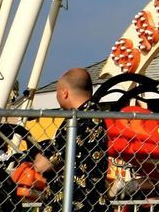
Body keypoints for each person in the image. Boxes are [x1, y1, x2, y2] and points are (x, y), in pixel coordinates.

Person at [30, 69, 106, 212]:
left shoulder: (74, 122)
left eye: (57, 92)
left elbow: (43, 165)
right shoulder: (96, 115)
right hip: (95, 201)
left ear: (64, 92)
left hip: (70, 202)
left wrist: (36, 153)